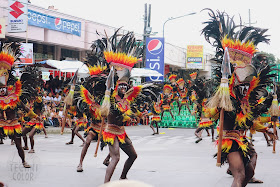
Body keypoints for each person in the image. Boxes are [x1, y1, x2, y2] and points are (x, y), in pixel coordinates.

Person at [201, 9, 274, 186]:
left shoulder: (246, 103)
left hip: (242, 139)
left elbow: (249, 122)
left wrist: (265, 130)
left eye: (246, 86)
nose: (244, 89)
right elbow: (210, 114)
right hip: (229, 140)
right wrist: (217, 104)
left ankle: (249, 176)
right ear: (235, 84)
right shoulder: (225, 97)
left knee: (249, 168)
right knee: (240, 175)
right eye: (241, 85)